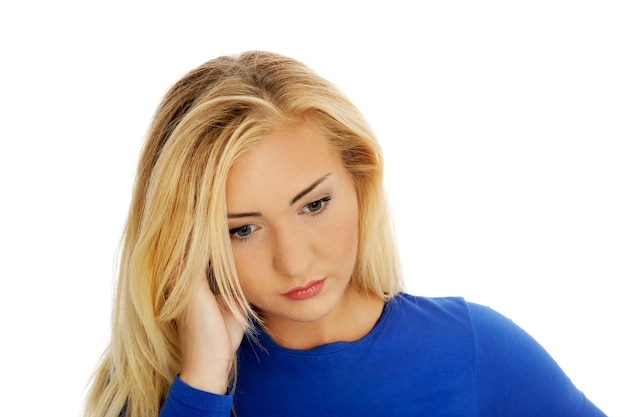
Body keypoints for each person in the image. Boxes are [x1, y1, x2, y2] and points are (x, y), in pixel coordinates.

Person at [84, 51, 606, 417]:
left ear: (360, 180)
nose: (294, 261)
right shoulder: (151, 388)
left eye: (314, 205)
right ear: (189, 243)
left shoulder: (474, 351)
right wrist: (202, 384)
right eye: (242, 230)